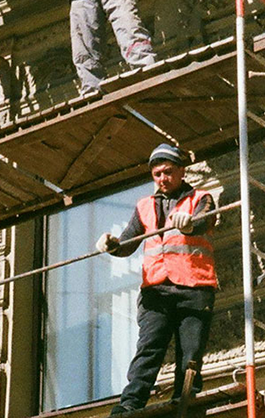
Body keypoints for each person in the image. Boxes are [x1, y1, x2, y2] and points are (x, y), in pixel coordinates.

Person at [96, 144, 218, 413]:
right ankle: (129, 406)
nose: (163, 178)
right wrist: (112, 244)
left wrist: (190, 222)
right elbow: (129, 241)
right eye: (157, 174)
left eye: (168, 172)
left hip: (194, 287)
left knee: (191, 354)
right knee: (149, 349)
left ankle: (185, 402)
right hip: (156, 290)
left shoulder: (201, 198)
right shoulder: (145, 206)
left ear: (182, 171)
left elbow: (204, 220)